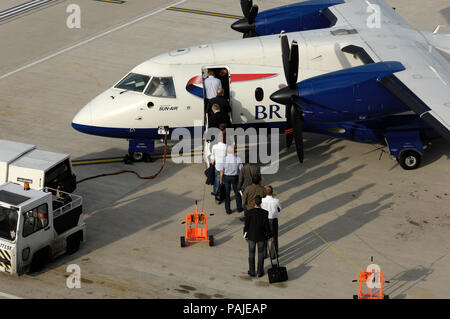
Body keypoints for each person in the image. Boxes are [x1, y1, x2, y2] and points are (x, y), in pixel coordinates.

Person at [243, 195, 273, 277]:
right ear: (261, 203)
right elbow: (267, 226)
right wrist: (270, 235)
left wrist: (245, 235)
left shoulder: (249, 212)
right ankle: (260, 271)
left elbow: (246, 225)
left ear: (254, 202)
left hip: (251, 236)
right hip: (261, 236)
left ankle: (252, 271)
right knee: (260, 254)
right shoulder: (265, 213)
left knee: (251, 254)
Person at [220, 145, 243, 214]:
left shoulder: (223, 159)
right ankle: (239, 208)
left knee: (227, 194)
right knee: (237, 193)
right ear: (234, 151)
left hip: (226, 177)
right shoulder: (238, 159)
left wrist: (221, 180)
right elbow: (241, 170)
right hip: (235, 177)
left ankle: (228, 210)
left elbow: (221, 171)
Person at [261, 186, 282, 258]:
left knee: (264, 236)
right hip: (273, 220)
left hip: (264, 220)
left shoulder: (262, 200)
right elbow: (280, 208)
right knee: (274, 237)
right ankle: (273, 254)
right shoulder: (276, 200)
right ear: (272, 192)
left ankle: (264, 254)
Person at [210, 125, 227, 198]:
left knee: (216, 180)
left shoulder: (214, 147)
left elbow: (212, 156)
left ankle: (216, 194)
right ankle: (224, 194)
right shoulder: (226, 146)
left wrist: (212, 161)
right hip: (224, 167)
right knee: (224, 181)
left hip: (217, 165)